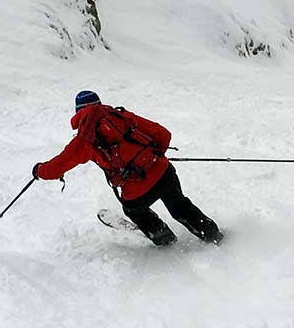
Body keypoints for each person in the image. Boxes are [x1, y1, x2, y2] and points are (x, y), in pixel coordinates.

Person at [33, 90, 221, 247]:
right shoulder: (121, 116)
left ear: (78, 113)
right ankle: (213, 235)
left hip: (137, 191)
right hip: (163, 172)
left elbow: (57, 166)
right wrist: (154, 157)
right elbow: (163, 133)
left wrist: (39, 170)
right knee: (180, 206)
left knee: (133, 209)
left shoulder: (84, 140)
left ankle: (163, 237)